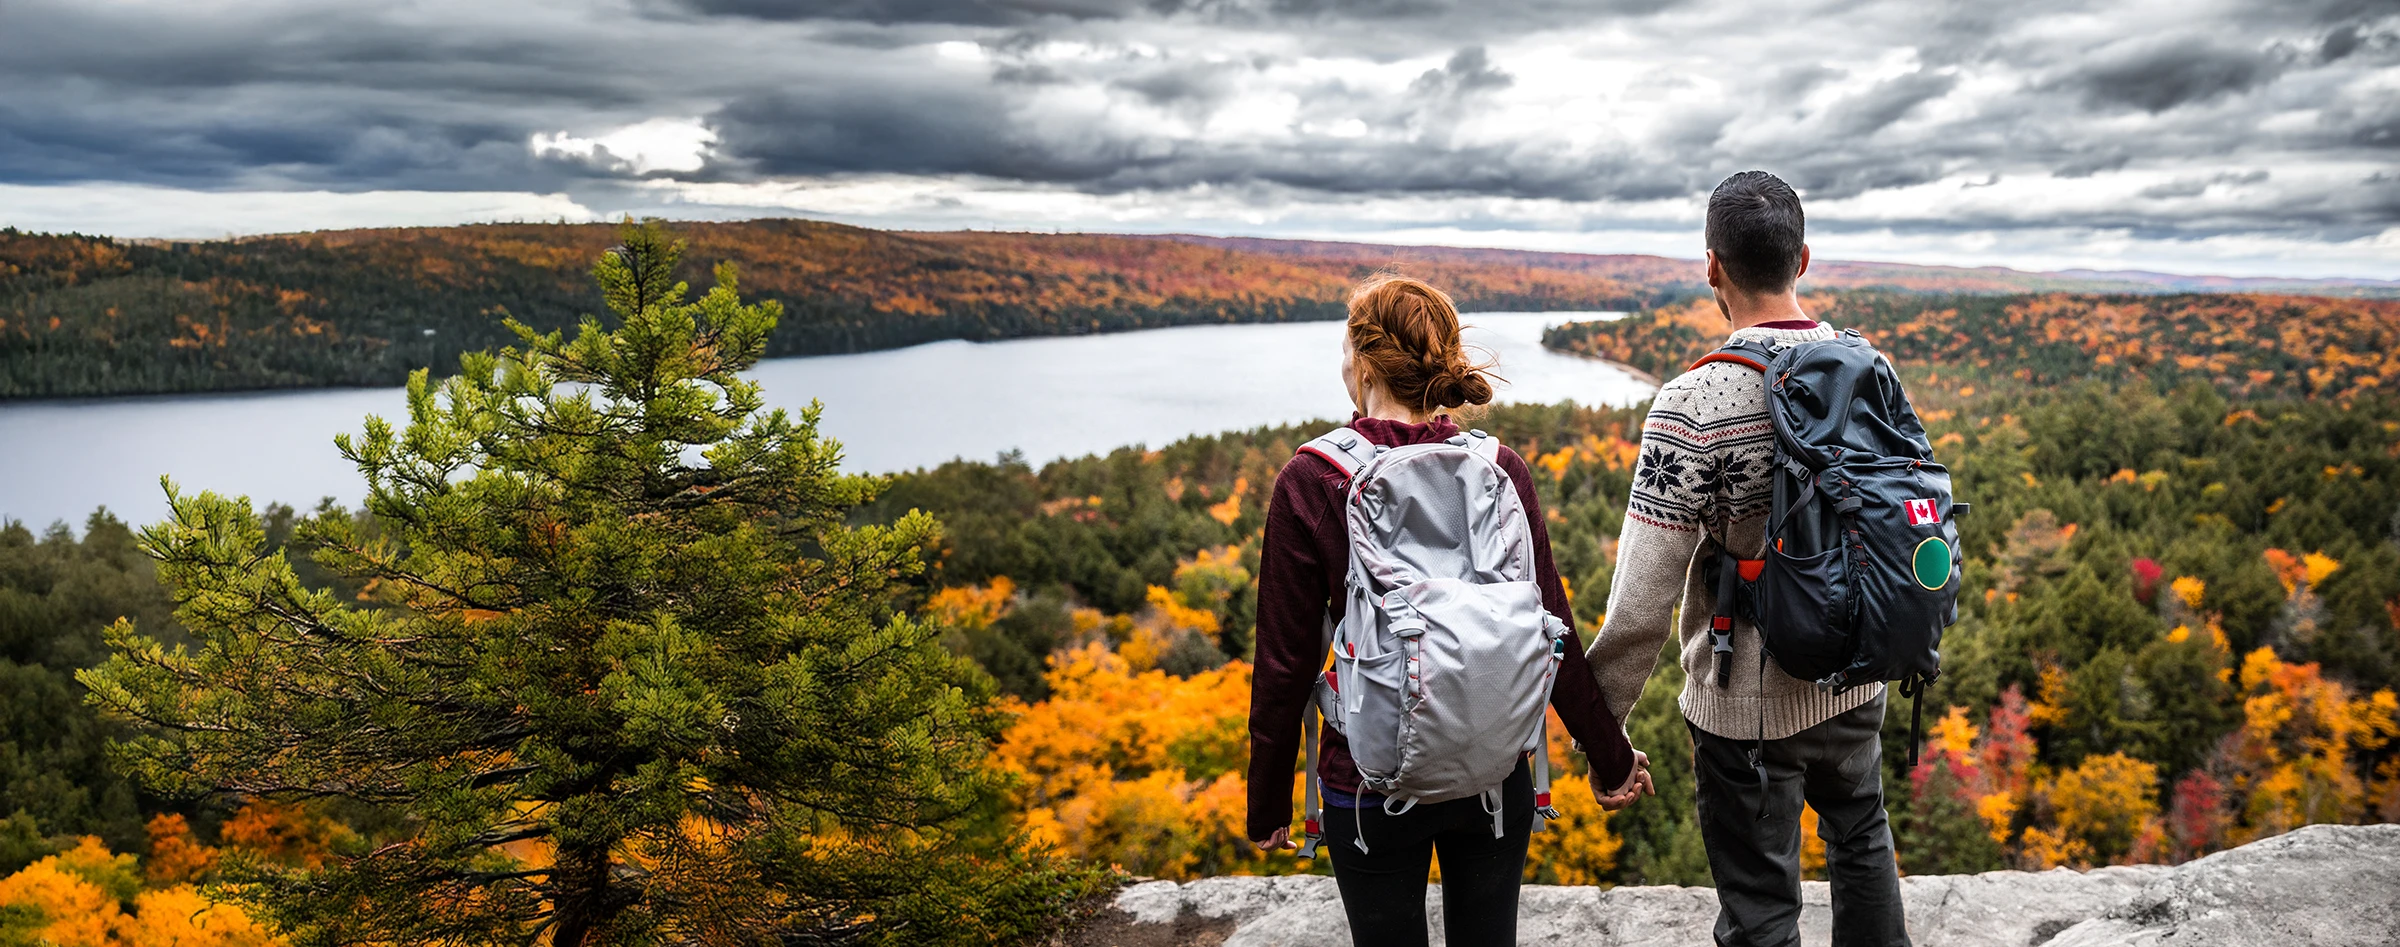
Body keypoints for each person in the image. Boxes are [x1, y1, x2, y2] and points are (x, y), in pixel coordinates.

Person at [1246, 274, 1653, 947]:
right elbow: (1551, 628)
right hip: (1492, 773)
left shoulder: (1315, 478)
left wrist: (1268, 802)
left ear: (1366, 362)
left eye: (1345, 348)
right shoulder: (1499, 466)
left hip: (1367, 783)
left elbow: (1285, 662)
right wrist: (1610, 758)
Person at [1583, 171, 1911, 947]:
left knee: (1763, 907)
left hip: (1746, 702)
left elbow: (1641, 601)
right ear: (1803, 260)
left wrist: (1603, 732)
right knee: (1862, 840)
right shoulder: (1870, 372)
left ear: (1712, 267)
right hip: (1858, 669)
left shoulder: (1693, 404)